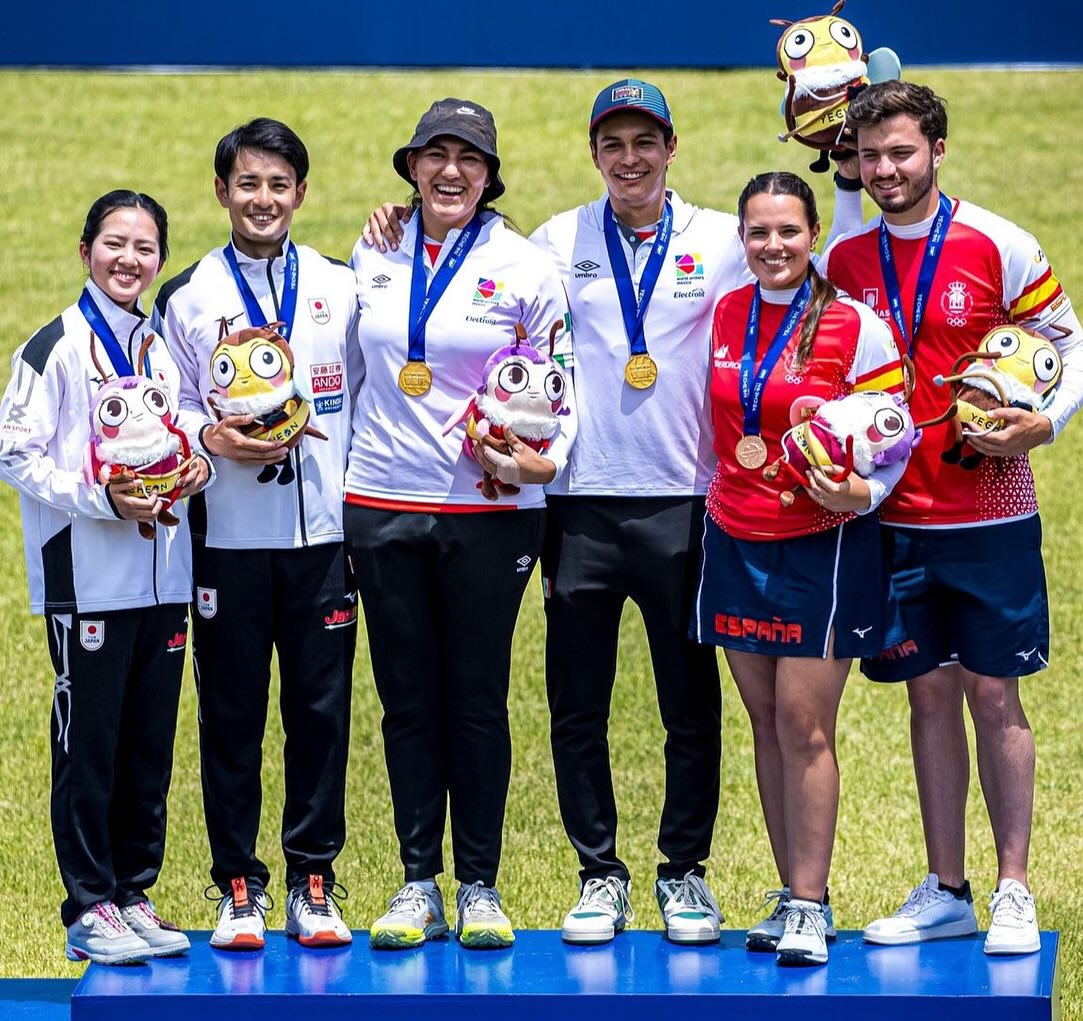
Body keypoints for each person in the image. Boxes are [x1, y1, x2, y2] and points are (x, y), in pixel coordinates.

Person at [362, 79, 863, 945]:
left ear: (670, 146)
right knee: (577, 704)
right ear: (594, 153)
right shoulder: (554, 241)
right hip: (577, 505)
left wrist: (845, 166)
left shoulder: (721, 237)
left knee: (687, 704)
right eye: (612, 144)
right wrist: (401, 222)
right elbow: (468, 270)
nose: (628, 158)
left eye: (644, 142)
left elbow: (811, 264)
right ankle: (599, 871)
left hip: (687, 501)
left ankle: (683, 872)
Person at [819, 80, 1083, 955]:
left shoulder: (997, 243)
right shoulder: (847, 258)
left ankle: (1013, 886)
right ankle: (948, 887)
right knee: (927, 700)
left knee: (993, 696)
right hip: (889, 513)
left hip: (988, 511)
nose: (886, 168)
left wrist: (1047, 421)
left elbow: (1067, 339)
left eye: (901, 151)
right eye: (869, 155)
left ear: (936, 148)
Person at [346, 98, 575, 951]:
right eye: (434, 156)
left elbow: (558, 381)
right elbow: (349, 380)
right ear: (409, 167)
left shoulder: (523, 265)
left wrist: (535, 465)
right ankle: (416, 882)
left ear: (489, 174)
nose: (450, 172)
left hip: (490, 510)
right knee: (406, 700)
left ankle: (478, 882)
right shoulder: (368, 255)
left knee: (475, 698)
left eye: (467, 159)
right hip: (380, 505)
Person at [154, 118, 361, 951]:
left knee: (321, 712)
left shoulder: (340, 285)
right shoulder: (188, 294)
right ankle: (238, 884)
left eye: (279, 184)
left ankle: (313, 879)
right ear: (221, 192)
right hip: (226, 542)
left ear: (300, 194)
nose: (263, 199)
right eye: (248, 183)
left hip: (323, 541)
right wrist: (211, 437)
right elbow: (164, 403)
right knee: (232, 715)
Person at [693, 171, 909, 966]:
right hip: (734, 536)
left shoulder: (855, 326)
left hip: (824, 540)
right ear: (741, 239)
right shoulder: (724, 313)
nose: (772, 245)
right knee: (762, 723)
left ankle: (812, 905)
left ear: (813, 234)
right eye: (757, 232)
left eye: (787, 231)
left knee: (803, 724)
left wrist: (864, 490)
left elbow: (897, 431)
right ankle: (789, 892)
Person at [0, 190, 210, 964]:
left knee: (148, 743)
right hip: (86, 579)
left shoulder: (161, 343)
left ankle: (133, 891)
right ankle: (89, 902)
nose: (130, 259)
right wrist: (101, 498)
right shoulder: (51, 345)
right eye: (114, 243)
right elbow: (15, 452)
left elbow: (187, 425)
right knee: (88, 745)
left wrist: (195, 463)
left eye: (146, 247)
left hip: (164, 577)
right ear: (85, 250)